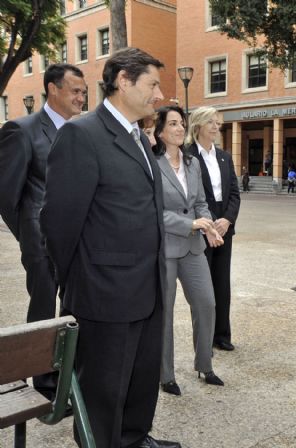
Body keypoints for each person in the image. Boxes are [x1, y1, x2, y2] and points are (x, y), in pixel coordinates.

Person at [41, 48, 181, 448]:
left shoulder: (139, 135)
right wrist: (80, 284)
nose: (159, 94)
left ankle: (135, 439)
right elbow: (59, 222)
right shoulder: (82, 134)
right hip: (104, 295)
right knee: (104, 392)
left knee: (139, 381)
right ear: (123, 80)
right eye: (152, 84)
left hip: (147, 288)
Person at [0, 63, 86, 400]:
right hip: (41, 242)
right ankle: (44, 383)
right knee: (43, 309)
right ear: (53, 89)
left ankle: (68, 371)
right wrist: (28, 234)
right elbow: (6, 195)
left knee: (75, 306)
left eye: (84, 92)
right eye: (75, 91)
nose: (82, 97)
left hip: (78, 239)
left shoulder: (80, 131)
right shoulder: (21, 130)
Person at [152, 106, 225, 396]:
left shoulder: (193, 163)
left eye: (182, 123)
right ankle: (165, 375)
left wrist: (208, 226)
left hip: (194, 247)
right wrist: (189, 223)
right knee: (165, 313)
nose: (180, 129)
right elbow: (153, 211)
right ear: (160, 132)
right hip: (166, 249)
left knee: (207, 303)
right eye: (173, 124)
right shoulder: (152, 163)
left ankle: (204, 366)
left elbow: (200, 202)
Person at [185, 106, 241, 352]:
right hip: (201, 226)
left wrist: (227, 220)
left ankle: (222, 335)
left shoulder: (224, 157)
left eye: (218, 123)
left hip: (223, 225)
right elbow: (190, 196)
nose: (217, 127)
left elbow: (234, 194)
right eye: (211, 122)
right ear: (198, 125)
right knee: (202, 288)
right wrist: (208, 222)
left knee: (222, 282)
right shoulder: (187, 156)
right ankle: (204, 340)